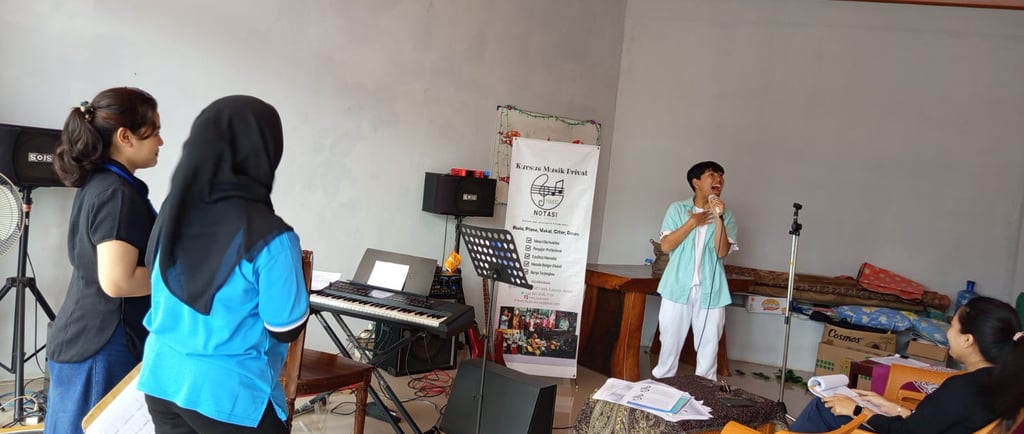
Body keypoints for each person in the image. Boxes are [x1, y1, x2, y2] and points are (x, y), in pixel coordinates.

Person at [137, 95, 308, 433]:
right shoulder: (272, 237)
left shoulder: (173, 209)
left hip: (162, 378)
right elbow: (285, 327)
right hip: (229, 396)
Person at [47, 87, 162, 434]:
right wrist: (179, 279)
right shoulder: (116, 193)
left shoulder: (104, 184)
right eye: (154, 131)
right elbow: (118, 281)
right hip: (102, 343)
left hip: (89, 335)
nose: (160, 141)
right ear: (125, 136)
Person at [790, 295, 1024, 434]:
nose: (948, 333)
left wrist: (857, 410)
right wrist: (895, 409)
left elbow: (905, 432)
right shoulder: (1007, 384)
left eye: (952, 326)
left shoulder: (962, 388)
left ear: (967, 340)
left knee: (823, 406)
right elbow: (940, 422)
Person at [652, 161, 737, 381]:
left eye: (721, 175)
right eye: (712, 174)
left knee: (709, 344)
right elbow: (666, 246)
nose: (719, 179)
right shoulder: (677, 209)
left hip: (712, 289)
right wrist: (693, 222)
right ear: (696, 182)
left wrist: (718, 218)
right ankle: (662, 384)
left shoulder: (726, 214)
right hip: (677, 285)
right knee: (669, 340)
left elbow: (721, 252)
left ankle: (705, 389)